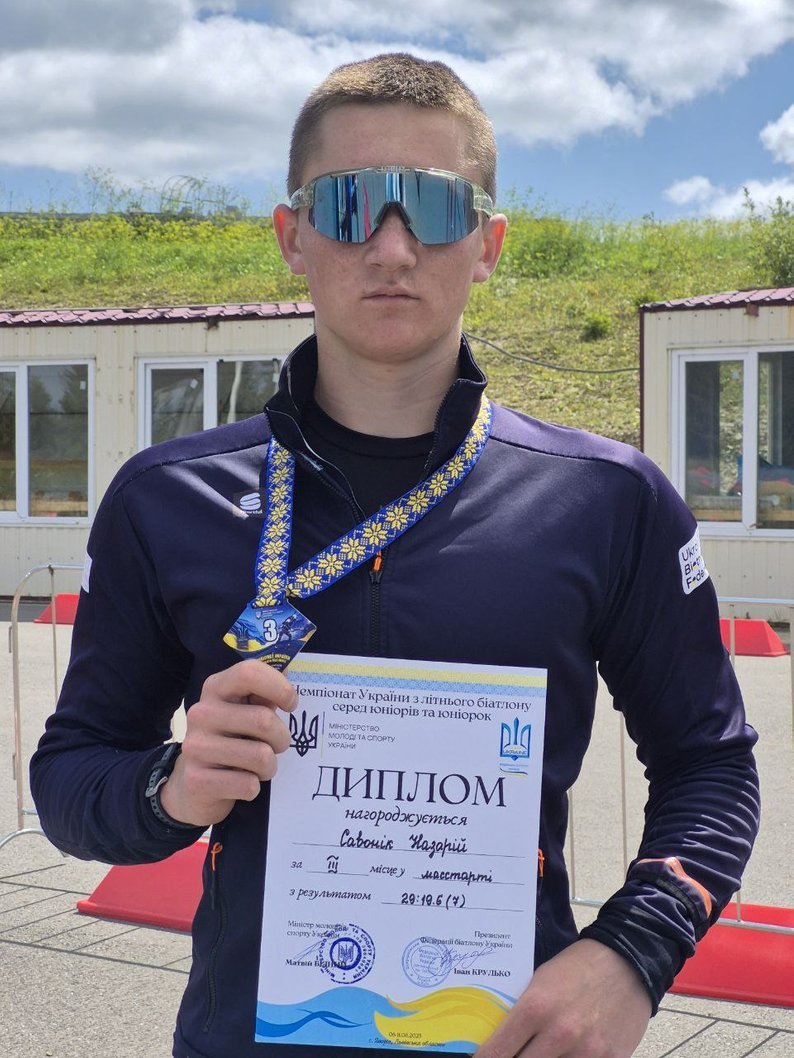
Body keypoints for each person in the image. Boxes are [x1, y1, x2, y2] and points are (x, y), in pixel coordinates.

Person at [31, 52, 760, 1058]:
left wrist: (631, 954)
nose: (391, 244)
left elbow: (709, 765)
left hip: (504, 1037)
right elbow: (70, 777)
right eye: (348, 204)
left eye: (434, 205)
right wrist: (173, 785)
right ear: (292, 236)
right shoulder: (165, 498)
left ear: (487, 243)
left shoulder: (608, 499)